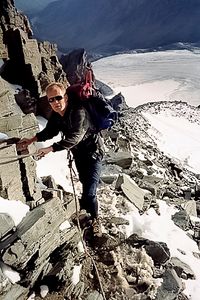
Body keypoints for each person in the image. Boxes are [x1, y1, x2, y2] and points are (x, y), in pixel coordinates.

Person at [18, 82, 104, 237]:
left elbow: (74, 138)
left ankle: (96, 220)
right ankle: (87, 215)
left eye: (58, 98)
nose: (55, 102)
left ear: (65, 97)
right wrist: (31, 140)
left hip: (93, 155)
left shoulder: (79, 112)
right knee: (85, 185)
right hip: (79, 155)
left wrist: (50, 149)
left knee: (90, 192)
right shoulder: (58, 115)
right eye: (51, 100)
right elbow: (50, 131)